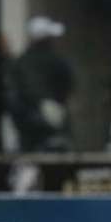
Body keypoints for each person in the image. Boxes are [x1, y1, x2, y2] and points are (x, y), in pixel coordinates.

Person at [10, 15, 75, 152]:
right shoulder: (56, 61)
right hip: (47, 122)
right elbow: (68, 85)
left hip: (27, 122)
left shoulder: (21, 61)